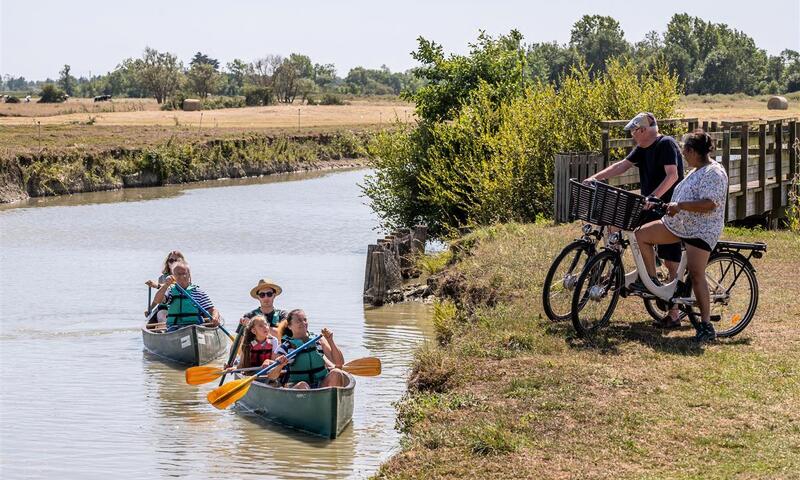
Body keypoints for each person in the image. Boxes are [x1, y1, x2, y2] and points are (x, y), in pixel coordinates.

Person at [585, 112, 685, 324]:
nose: (632, 135)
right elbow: (621, 165)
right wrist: (595, 178)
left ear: (644, 130)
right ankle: (617, 268)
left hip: (669, 208)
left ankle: (674, 311)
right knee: (613, 221)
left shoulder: (666, 144)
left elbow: (672, 175)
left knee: (670, 262)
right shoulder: (642, 149)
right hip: (649, 205)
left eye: (634, 131)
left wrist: (654, 197)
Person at [634, 130, 728, 342]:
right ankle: (652, 283)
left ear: (693, 151)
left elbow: (710, 203)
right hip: (678, 225)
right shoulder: (696, 170)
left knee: (696, 274)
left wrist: (680, 205)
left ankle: (706, 326)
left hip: (701, 230)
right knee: (641, 235)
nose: (682, 154)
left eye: (685, 150)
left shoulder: (713, 172)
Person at [274, 309, 347, 389]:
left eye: (305, 320)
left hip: (321, 386)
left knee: (337, 373)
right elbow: (272, 376)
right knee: (303, 385)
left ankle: (331, 399)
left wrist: (330, 341)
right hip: (297, 387)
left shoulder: (318, 340)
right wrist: (279, 366)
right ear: (289, 326)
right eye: (299, 321)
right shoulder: (285, 347)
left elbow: (339, 363)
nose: (303, 323)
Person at [151, 262, 221, 331]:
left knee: (196, 330)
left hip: (195, 326)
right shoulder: (170, 291)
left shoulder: (197, 292)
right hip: (175, 327)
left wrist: (215, 317)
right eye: (178, 274)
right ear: (173, 276)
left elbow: (212, 309)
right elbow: (157, 300)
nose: (182, 276)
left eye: (184, 273)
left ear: (189, 275)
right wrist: (166, 285)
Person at [234, 315, 284, 383]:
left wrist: (268, 361)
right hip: (251, 373)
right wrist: (234, 370)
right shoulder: (248, 343)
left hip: (267, 372)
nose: (265, 327)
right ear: (254, 331)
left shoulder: (273, 341)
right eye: (261, 326)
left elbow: (274, 362)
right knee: (238, 362)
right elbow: (241, 365)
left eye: (266, 324)